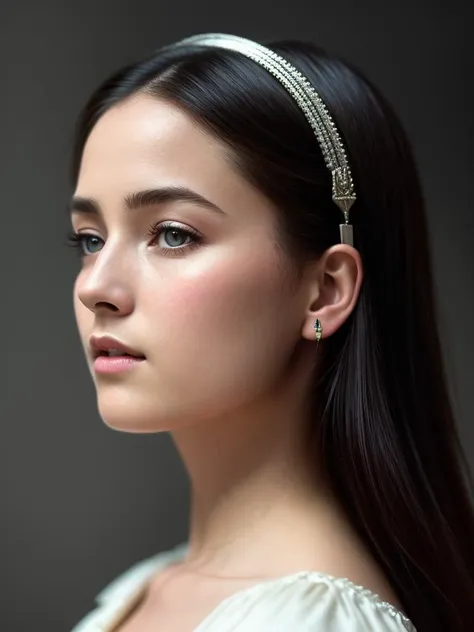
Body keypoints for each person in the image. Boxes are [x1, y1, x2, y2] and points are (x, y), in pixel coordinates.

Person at [68, 33, 474, 632]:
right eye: (90, 239)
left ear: (326, 289)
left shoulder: (311, 620)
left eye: (173, 233)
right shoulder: (145, 589)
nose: (95, 286)